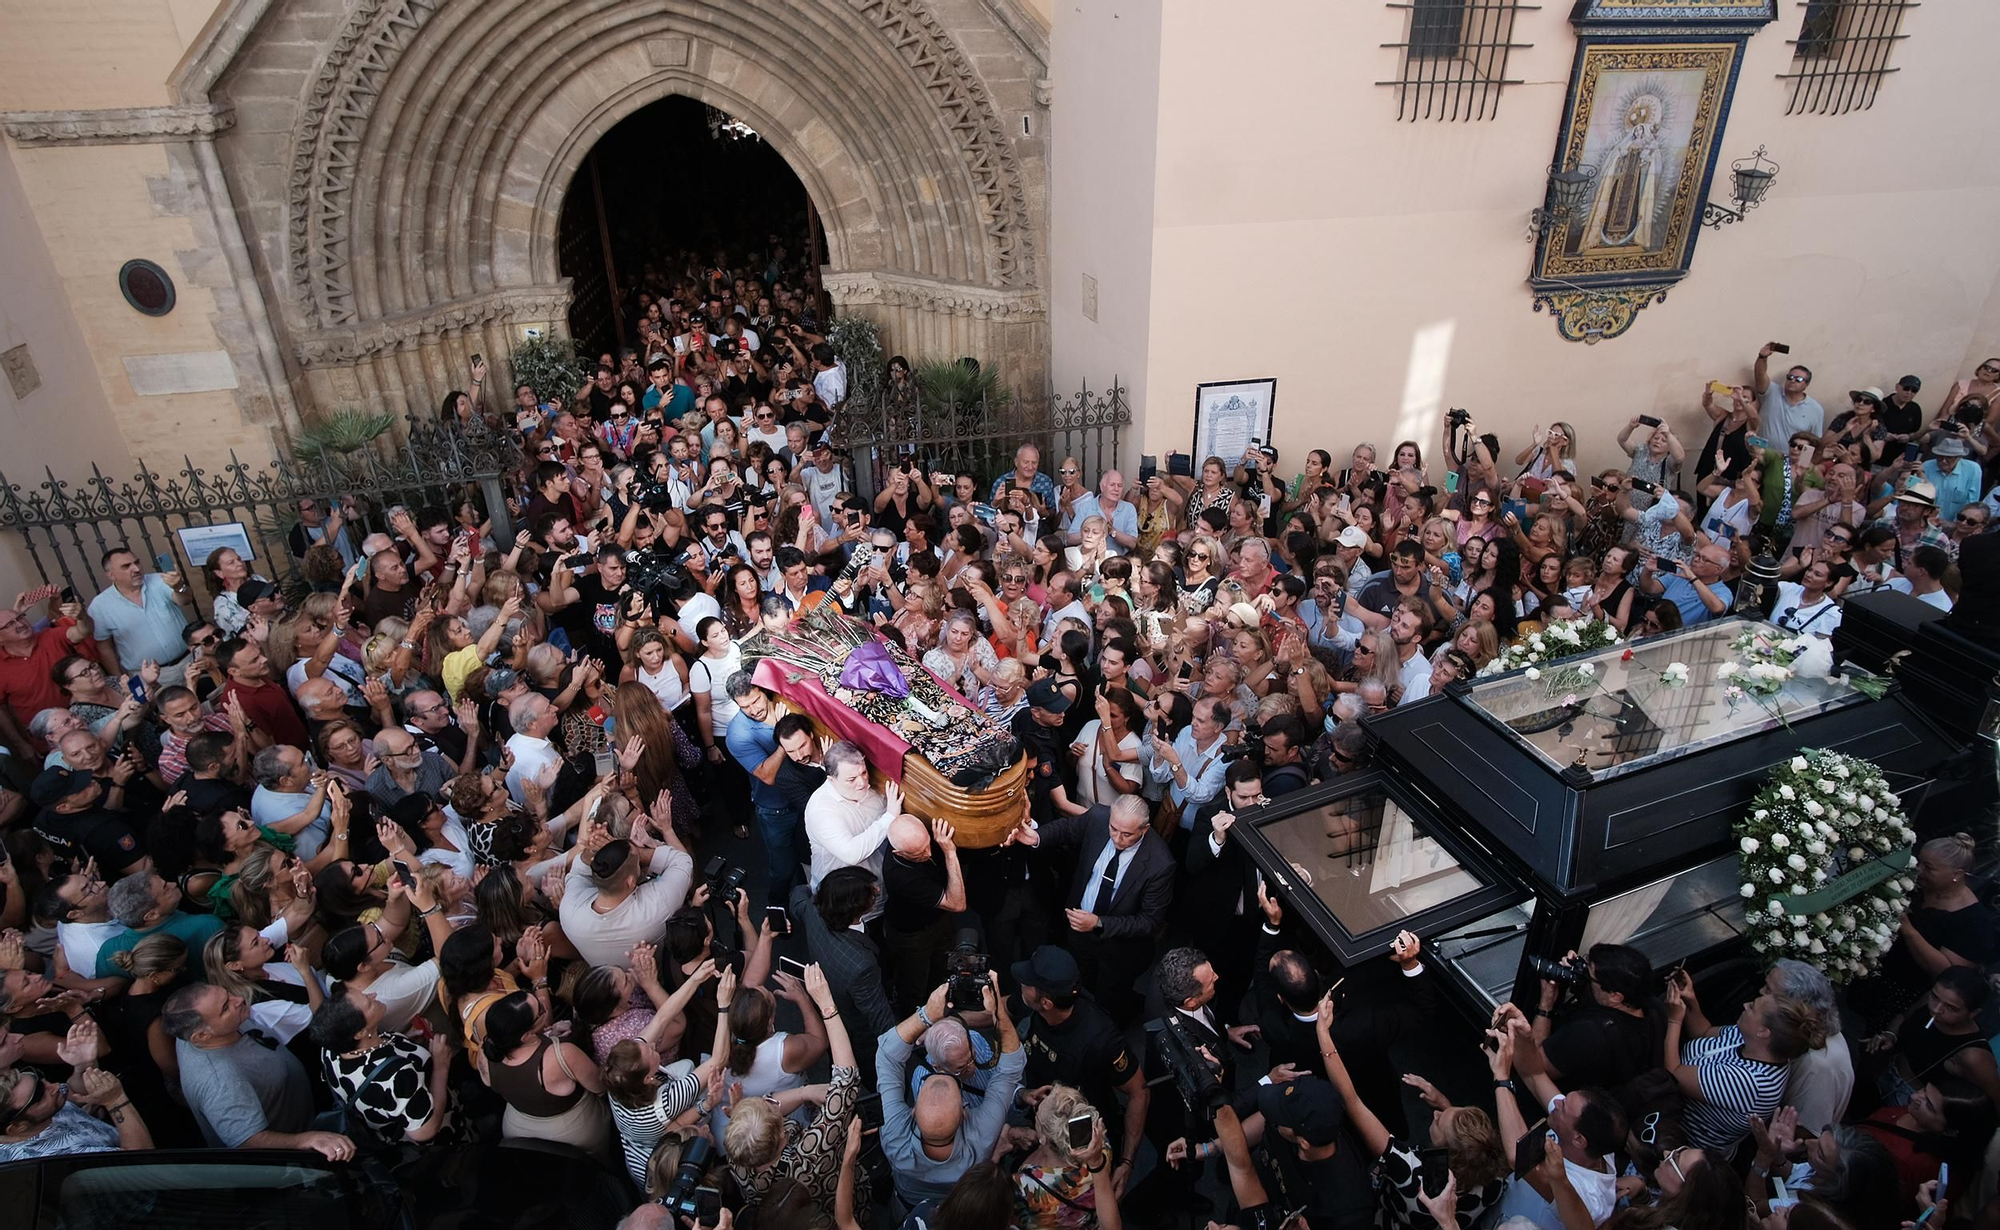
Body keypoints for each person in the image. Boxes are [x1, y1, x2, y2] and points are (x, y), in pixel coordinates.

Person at [1014, 795, 1172, 1021]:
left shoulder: (1160, 864)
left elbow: (1148, 921)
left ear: (1145, 829)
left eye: (1127, 834)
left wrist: (1098, 922)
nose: (1117, 838)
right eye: (1113, 828)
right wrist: (1037, 837)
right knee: (1078, 985)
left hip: (1119, 949)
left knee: (1109, 1001)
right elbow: (1067, 829)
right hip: (1078, 931)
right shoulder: (1098, 817)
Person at [877, 975, 1026, 1207]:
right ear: (966, 1114)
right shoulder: (983, 1135)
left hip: (908, 1205)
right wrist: (998, 1013)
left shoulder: (894, 1139)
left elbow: (886, 1056)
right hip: (962, 1209)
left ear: (913, 1112)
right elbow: (1010, 1068)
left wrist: (926, 1014)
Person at [161, 981, 354, 1158]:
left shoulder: (191, 1034)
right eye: (225, 1007)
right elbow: (247, 1141)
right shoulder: (222, 1083)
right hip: (300, 1157)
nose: (239, 1000)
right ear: (202, 1036)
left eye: (227, 994)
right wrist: (306, 1140)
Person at [1010, 945, 1148, 1181]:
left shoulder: (1101, 1040)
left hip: (1082, 1135)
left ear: (1046, 1004)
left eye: (1028, 982)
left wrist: (1126, 1163)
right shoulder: (1034, 999)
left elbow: (1139, 1093)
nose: (1022, 984)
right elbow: (1001, 1008)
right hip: (1042, 1117)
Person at [1663, 969, 1823, 1155]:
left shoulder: (1750, 1082)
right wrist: (1690, 999)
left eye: (1753, 1008)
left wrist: (1674, 1020)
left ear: (1764, 1031)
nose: (1746, 1005)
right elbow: (1704, 1032)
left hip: (1681, 1146)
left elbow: (1673, 1074)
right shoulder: (1749, 1037)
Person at [87, 547, 189, 686]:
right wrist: (121, 680)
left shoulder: (160, 580)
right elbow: (105, 648)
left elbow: (184, 600)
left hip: (189, 661)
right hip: (151, 677)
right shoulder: (100, 606)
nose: (136, 569)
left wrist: (179, 587)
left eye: (137, 562)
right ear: (111, 575)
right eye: (126, 566)